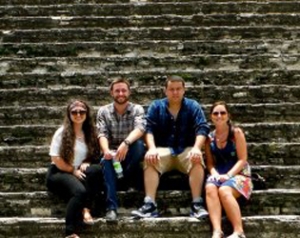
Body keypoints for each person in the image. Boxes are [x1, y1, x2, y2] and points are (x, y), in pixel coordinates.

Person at [131, 75, 210, 219]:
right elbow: (148, 129)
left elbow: (202, 128)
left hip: (186, 149)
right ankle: (149, 204)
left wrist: (197, 147)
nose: (175, 92)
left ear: (184, 90)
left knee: (197, 158)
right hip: (163, 149)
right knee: (150, 158)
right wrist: (152, 148)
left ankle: (197, 204)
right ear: (165, 91)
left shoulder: (193, 106)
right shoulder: (156, 106)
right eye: (172, 89)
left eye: (178, 89)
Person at [46, 99, 102, 238]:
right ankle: (70, 232)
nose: (78, 114)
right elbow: (56, 159)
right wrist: (73, 171)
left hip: (78, 171)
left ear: (87, 113)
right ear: (69, 114)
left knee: (95, 170)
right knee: (80, 192)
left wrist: (87, 161)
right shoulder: (62, 132)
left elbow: (95, 154)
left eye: (82, 111)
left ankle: (86, 208)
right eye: (74, 112)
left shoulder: (90, 133)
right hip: (59, 172)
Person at [97, 77, 146, 221]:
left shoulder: (137, 109)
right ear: (111, 93)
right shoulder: (103, 111)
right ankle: (111, 208)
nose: (120, 93)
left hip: (130, 153)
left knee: (138, 145)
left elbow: (140, 128)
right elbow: (102, 133)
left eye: (124, 90)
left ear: (129, 92)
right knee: (105, 161)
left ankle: (126, 178)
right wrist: (106, 151)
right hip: (112, 155)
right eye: (117, 90)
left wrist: (125, 143)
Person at [204, 101, 253, 238]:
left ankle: (238, 231)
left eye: (222, 113)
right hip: (219, 173)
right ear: (211, 116)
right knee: (210, 187)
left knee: (224, 190)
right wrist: (214, 174)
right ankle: (217, 231)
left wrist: (228, 175)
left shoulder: (236, 133)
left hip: (239, 174)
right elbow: (209, 163)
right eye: (215, 113)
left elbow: (242, 159)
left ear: (228, 115)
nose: (219, 116)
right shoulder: (209, 138)